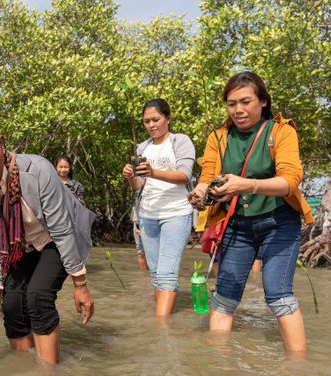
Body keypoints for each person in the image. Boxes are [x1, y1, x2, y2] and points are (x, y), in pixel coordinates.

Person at [187, 71, 314, 352]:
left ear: (263, 102)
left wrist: (246, 185)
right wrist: (200, 193)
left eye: (246, 101)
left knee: (278, 295)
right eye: (232, 104)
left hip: (279, 222)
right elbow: (207, 176)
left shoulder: (281, 131)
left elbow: (290, 181)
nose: (238, 110)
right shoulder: (218, 137)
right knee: (224, 297)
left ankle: (299, 366)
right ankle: (219, 364)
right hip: (237, 225)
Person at [0, 119, 95, 366]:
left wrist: (80, 284)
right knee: (11, 306)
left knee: (38, 298)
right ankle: (25, 367)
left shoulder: (38, 169)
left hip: (56, 238)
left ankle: (49, 370)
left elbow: (62, 231)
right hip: (19, 246)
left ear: (2, 143)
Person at [122, 98, 195, 317]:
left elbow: (185, 175)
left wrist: (153, 172)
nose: (151, 125)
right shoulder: (142, 147)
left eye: (156, 119)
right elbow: (139, 186)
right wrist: (130, 177)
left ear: (167, 119)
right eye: (147, 121)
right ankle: (164, 322)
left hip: (176, 212)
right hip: (148, 214)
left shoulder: (180, 141)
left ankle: (161, 328)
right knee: (155, 273)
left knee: (167, 274)